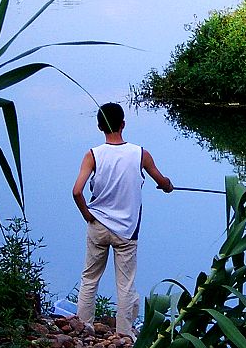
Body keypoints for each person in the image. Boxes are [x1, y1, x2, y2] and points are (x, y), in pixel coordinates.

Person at [72, 102, 173, 339]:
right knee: (125, 285)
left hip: (97, 225)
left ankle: (83, 328)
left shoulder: (93, 155)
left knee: (89, 279)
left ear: (100, 126)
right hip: (127, 231)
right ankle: (124, 334)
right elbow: (161, 180)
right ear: (123, 124)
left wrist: (87, 214)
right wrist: (167, 186)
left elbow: (77, 191)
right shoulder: (140, 154)